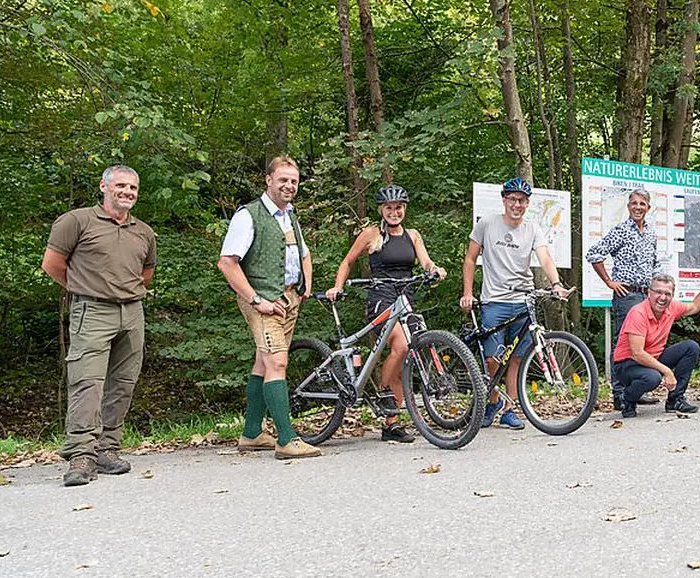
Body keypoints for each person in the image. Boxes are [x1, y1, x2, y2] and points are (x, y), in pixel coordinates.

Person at [41, 165, 157, 486]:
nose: (127, 192)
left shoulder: (143, 232)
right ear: (103, 186)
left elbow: (145, 274)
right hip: (92, 311)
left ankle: (107, 449)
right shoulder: (77, 221)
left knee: (123, 382)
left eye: (133, 187)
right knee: (87, 381)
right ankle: (81, 454)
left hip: (132, 312)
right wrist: (85, 288)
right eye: (120, 185)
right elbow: (52, 264)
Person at [217, 155, 320, 459]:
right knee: (277, 363)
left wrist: (306, 286)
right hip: (262, 301)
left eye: (294, 181)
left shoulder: (290, 215)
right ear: (269, 180)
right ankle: (287, 440)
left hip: (288, 299)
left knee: (264, 363)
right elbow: (227, 263)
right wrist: (257, 300)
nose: (289, 185)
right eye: (283, 179)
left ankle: (251, 433)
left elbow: (303, 254)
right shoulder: (248, 215)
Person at [325, 186, 447, 443]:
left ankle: (391, 423)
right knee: (401, 346)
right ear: (382, 209)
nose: (395, 211)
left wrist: (435, 269)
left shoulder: (413, 235)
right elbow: (348, 261)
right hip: (381, 299)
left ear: (405, 208)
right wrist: (337, 286)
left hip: (406, 298)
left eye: (399, 207)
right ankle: (385, 394)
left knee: (406, 355)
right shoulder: (372, 234)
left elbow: (425, 262)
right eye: (389, 207)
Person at [459, 176, 570, 429]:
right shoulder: (487, 224)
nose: (516, 205)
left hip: (523, 300)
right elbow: (470, 259)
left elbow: (545, 258)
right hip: (494, 301)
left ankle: (510, 409)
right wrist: (468, 292)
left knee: (518, 359)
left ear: (527, 203)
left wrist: (555, 284)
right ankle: (493, 401)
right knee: (492, 359)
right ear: (504, 200)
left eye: (521, 200)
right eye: (512, 199)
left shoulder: (532, 228)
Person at [586, 188, 659, 411]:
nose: (638, 207)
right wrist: (609, 281)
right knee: (623, 344)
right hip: (626, 296)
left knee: (642, 344)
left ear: (648, 207)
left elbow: (654, 262)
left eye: (642, 204)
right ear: (628, 207)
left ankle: (634, 391)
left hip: (646, 295)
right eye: (634, 203)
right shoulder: (620, 230)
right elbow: (594, 254)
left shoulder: (649, 233)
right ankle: (618, 394)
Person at [612, 271, 700, 417]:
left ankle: (675, 400)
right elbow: (637, 353)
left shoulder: (671, 308)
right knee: (652, 378)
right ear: (649, 292)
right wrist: (667, 371)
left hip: (653, 358)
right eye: (658, 292)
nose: (663, 298)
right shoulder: (637, 313)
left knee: (691, 347)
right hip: (628, 364)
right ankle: (626, 399)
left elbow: (695, 306)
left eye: (667, 293)